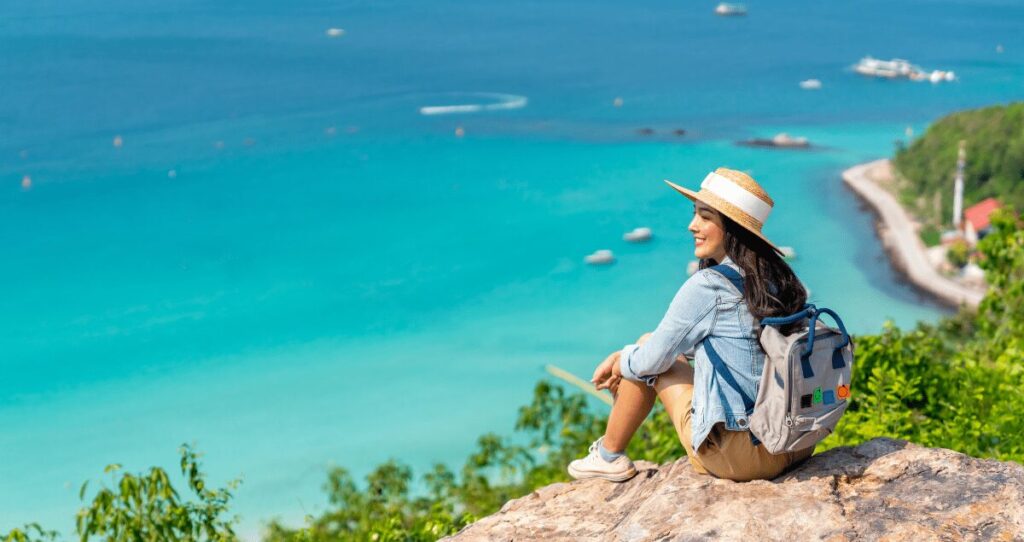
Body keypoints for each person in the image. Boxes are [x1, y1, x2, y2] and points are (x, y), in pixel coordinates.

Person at [568, 167, 813, 482]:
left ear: (733, 228)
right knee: (648, 347)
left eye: (705, 217)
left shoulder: (708, 286)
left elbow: (651, 362)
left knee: (644, 349)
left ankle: (608, 455)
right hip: (797, 443)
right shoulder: (777, 277)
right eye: (695, 214)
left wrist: (621, 357)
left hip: (744, 456)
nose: (691, 226)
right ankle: (607, 453)